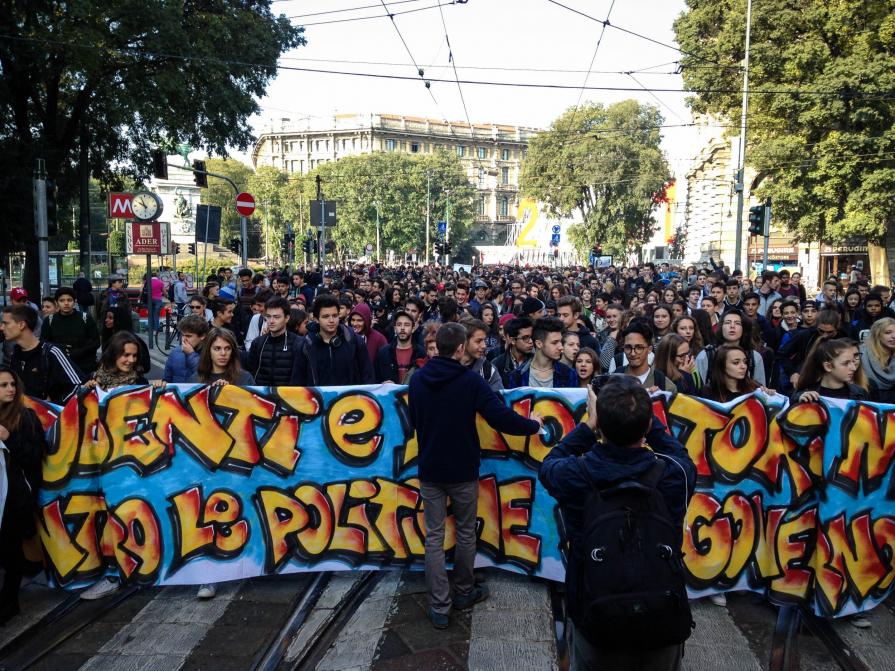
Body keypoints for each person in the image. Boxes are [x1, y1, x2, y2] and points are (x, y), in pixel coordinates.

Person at [538, 375, 696, 670]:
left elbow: (549, 465)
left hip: (594, 611)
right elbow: (680, 455)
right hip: (661, 613)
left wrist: (588, 424)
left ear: (601, 424)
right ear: (647, 425)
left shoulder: (575, 474)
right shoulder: (675, 475)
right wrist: (650, 417)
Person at [408, 322, 542, 629]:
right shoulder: (469, 381)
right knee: (466, 532)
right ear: (459, 348)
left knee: (434, 537)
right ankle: (464, 591)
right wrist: (533, 425)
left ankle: (439, 605)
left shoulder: (417, 380)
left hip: (430, 468)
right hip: (462, 469)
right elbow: (501, 418)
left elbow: (414, 420)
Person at [0, 367, 49, 624]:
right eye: (3, 385)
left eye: (12, 384)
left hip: (16, 497)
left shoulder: (25, 418)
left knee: (10, 549)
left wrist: (9, 438)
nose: (9, 389)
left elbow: (33, 458)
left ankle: (10, 601)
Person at [1, 304, 82, 404]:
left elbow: (78, 386)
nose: (1, 327)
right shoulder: (15, 354)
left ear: (21, 325)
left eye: (6, 323)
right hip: (23, 416)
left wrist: (51, 407)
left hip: (49, 417)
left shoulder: (51, 352)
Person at [296, 295, 374, 386]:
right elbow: (298, 381)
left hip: (350, 398)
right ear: (316, 319)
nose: (331, 320)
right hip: (318, 399)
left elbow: (367, 376)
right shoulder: (305, 345)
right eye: (326, 316)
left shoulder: (354, 340)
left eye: (335, 315)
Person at [41, 286, 101, 376]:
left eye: (69, 300)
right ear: (57, 302)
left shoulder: (86, 318)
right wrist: (60, 348)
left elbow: (96, 342)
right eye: (62, 300)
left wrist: (78, 352)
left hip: (84, 367)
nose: (66, 303)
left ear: (75, 301)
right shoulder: (49, 320)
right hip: (59, 368)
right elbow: (43, 342)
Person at [506, 317, 578, 388]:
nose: (560, 347)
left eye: (560, 342)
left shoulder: (568, 374)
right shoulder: (517, 376)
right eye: (554, 343)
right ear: (539, 344)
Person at [247, 296, 303, 387]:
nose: (271, 321)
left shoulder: (298, 343)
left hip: (288, 397)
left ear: (287, 318)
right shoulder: (258, 343)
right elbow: (251, 372)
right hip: (261, 396)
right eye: (268, 317)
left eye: (276, 317)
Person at [612, 320, 677, 393]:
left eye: (639, 348)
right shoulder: (614, 379)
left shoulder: (665, 386)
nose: (633, 353)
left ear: (649, 349)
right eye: (628, 347)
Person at [84, 331, 149, 391]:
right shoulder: (93, 379)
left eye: (134, 355)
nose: (132, 360)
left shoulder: (141, 383)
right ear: (113, 355)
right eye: (126, 355)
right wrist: (87, 391)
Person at [375, 310, 424, 384]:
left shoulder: (421, 353)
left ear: (413, 329)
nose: (402, 328)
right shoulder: (383, 353)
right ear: (394, 328)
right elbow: (376, 379)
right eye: (399, 324)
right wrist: (382, 385)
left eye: (407, 325)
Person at [162, 314, 209, 383]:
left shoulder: (209, 353)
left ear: (202, 336)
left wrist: (191, 354)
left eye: (189, 336)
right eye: (182, 335)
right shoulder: (175, 352)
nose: (183, 339)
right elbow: (166, 379)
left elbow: (205, 379)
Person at [460, 318, 503, 391]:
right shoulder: (447, 367)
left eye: (484, 340)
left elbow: (498, 398)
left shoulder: (489, 370)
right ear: (464, 341)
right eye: (478, 341)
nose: (484, 346)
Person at [491, 317, 533, 387]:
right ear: (513, 340)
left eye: (531, 337)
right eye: (525, 338)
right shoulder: (497, 364)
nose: (531, 341)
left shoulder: (536, 361)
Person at [861, 318, 895, 403]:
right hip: (868, 402)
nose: (894, 336)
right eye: (888, 332)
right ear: (877, 334)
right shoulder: (860, 354)